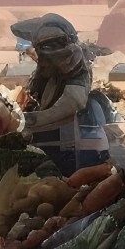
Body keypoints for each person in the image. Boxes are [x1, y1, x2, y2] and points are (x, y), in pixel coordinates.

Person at [12, 14, 108, 175]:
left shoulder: (75, 67)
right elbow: (35, 93)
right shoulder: (49, 73)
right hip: (48, 144)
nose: (43, 60)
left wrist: (29, 120)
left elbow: (70, 105)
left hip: (69, 147)